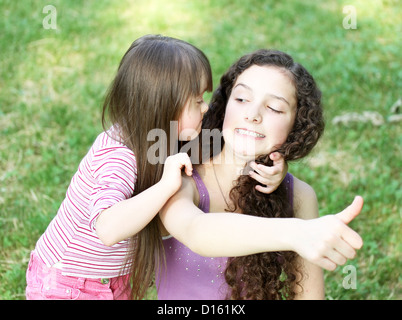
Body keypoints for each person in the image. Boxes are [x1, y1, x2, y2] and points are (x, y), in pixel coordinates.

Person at [25, 35, 286, 300]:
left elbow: (229, 151)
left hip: (112, 279)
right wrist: (164, 187)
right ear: (165, 106)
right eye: (196, 101)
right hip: (68, 282)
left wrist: (272, 171)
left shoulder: (166, 135)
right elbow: (107, 229)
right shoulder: (118, 155)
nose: (206, 107)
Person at [156, 49, 364, 299]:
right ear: (223, 105)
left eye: (275, 108)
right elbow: (195, 230)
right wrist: (296, 233)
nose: (252, 115)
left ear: (296, 126)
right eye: (242, 99)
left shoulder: (299, 195)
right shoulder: (181, 176)